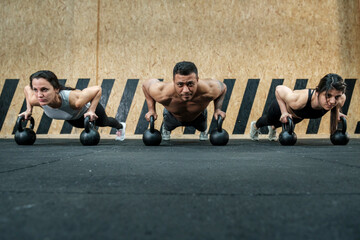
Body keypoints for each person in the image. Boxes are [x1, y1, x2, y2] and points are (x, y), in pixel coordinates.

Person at [19, 70, 126, 141]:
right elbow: (26, 88)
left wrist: (91, 110)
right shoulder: (35, 99)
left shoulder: (75, 100)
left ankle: (120, 126)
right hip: (72, 117)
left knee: (104, 122)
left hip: (86, 110)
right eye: (35, 90)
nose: (39, 95)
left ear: (56, 89)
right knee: (79, 125)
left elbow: (97, 89)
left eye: (44, 89)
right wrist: (29, 110)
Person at [142, 61, 227, 140]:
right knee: (168, 124)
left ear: (197, 80)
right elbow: (146, 85)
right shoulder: (161, 91)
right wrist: (151, 110)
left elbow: (223, 88)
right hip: (172, 117)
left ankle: (203, 130)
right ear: (174, 81)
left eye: (190, 84)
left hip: (198, 116)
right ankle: (166, 128)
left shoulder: (210, 88)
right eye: (180, 84)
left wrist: (217, 109)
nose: (185, 90)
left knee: (202, 127)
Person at [250, 73, 347, 141]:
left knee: (281, 123)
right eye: (328, 96)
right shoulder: (298, 99)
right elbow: (278, 89)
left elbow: (336, 102)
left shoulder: (340, 99)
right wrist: (284, 112)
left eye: (337, 96)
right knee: (268, 120)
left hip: (298, 116)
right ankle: (255, 126)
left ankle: (273, 128)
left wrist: (337, 112)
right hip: (280, 108)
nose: (332, 101)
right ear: (317, 92)